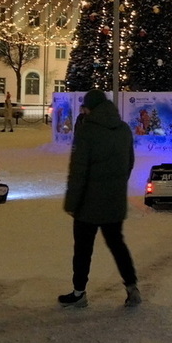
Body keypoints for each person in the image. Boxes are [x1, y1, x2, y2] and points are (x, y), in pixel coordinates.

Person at [61, 89, 140, 308]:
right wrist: (116, 186)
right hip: (114, 201)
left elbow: (78, 171)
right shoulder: (124, 130)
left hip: (88, 204)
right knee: (117, 244)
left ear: (90, 108)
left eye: (84, 107)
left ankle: (79, 293)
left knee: (83, 249)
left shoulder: (87, 131)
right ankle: (132, 287)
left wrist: (71, 203)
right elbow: (129, 163)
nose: (83, 111)